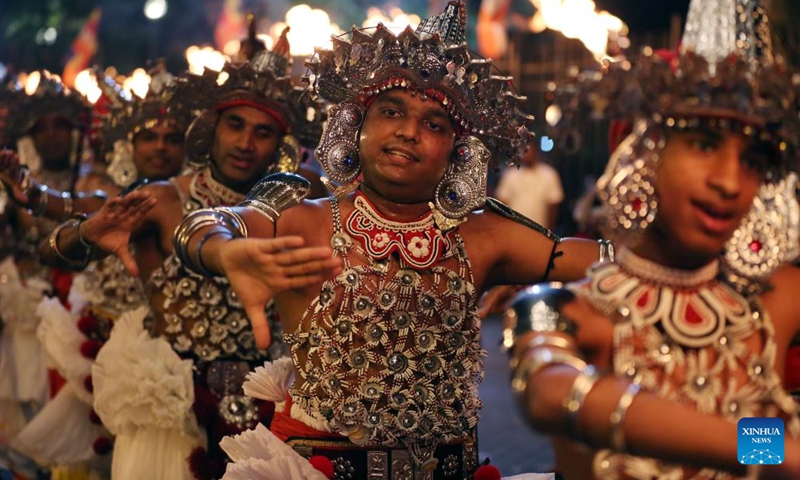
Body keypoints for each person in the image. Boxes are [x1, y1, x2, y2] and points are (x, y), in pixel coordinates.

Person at [169, 2, 614, 478]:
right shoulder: (305, 221)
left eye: (434, 124)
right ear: (356, 126)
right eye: (391, 111)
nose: (408, 131)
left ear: (458, 151)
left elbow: (607, 261)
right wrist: (225, 251)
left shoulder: (486, 236)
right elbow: (212, 224)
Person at [506, 1, 800, 478]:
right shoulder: (557, 308)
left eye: (753, 159)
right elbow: (553, 394)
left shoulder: (775, 301)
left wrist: (772, 448)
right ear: (647, 152)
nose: (730, 181)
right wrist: (776, 452)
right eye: (704, 145)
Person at [42, 32, 327, 480]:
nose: (246, 143)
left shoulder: (298, 206)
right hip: (169, 402)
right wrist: (84, 234)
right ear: (210, 130)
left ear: (281, 145)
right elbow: (53, 256)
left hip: (266, 398)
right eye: (235, 125)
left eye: (263, 131)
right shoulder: (163, 199)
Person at [7, 64, 192, 479]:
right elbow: (79, 207)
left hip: (173, 370)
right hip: (104, 352)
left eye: (172, 139)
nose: (160, 148)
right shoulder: (116, 195)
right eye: (149, 137)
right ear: (130, 145)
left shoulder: (199, 202)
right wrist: (35, 196)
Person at [0, 72, 91, 479]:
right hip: (21, 313)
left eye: (62, 126)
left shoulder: (95, 182)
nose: (53, 136)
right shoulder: (12, 187)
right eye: (43, 128)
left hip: (77, 314)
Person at [496, 139, 563, 231]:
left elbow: (554, 204)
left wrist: (549, 230)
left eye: (528, 151)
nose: (526, 155)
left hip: (540, 229)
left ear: (536, 152)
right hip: (513, 229)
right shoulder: (511, 174)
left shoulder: (549, 174)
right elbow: (502, 201)